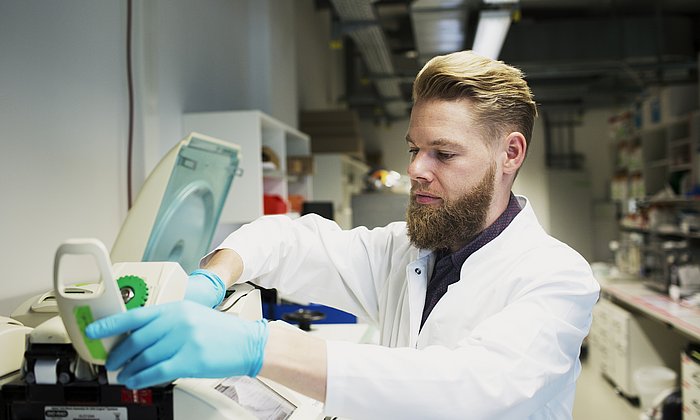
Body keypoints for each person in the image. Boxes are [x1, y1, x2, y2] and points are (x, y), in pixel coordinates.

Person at [87, 50, 600, 419]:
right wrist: (212, 279)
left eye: (443, 153)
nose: (417, 168)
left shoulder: (556, 278)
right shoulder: (410, 251)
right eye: (413, 148)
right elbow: (289, 239)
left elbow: (462, 389)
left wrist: (259, 345)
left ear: (510, 153)